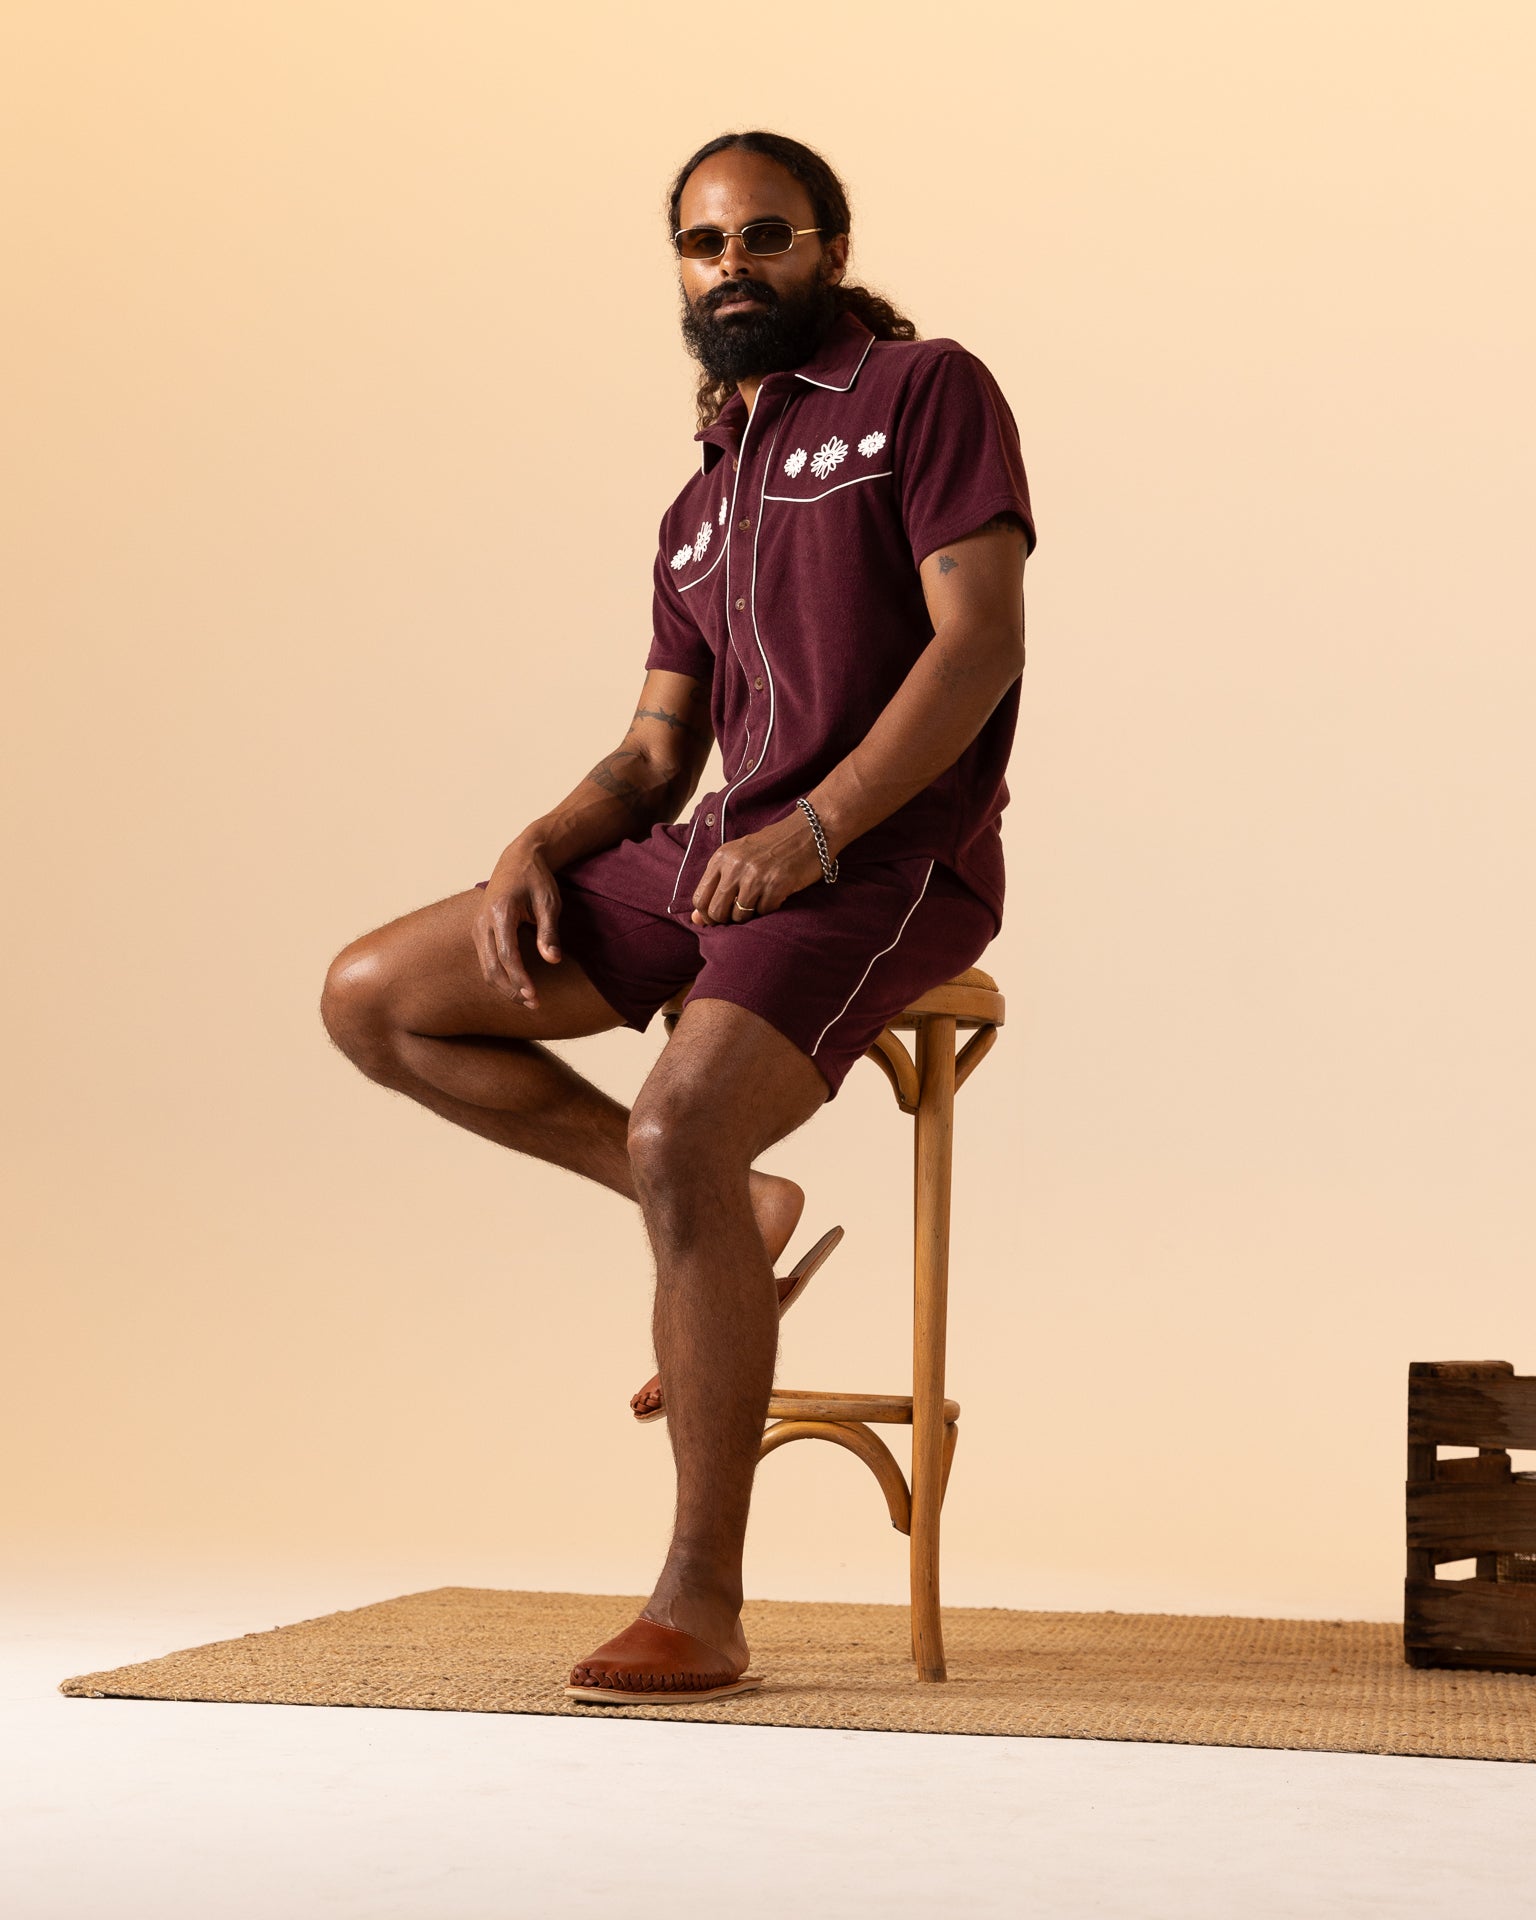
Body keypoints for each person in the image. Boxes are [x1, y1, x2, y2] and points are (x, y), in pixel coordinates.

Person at [320, 129, 1037, 1704]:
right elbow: (658, 749)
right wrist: (544, 839)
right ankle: (735, 1214)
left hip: (882, 860)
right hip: (715, 851)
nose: (732, 270)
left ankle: (701, 1598)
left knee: (681, 1129)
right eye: (704, 246)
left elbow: (977, 644)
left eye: (765, 238)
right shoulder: (697, 505)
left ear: (828, 251)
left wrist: (820, 827)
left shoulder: (922, 396)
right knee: (375, 995)